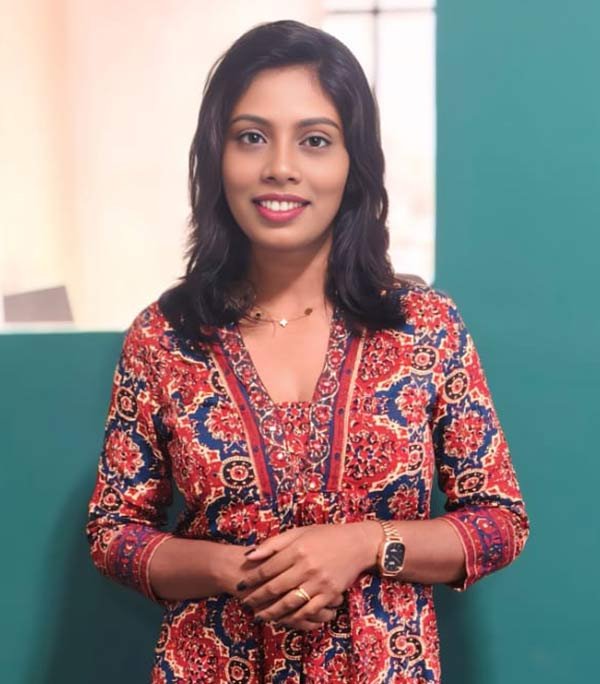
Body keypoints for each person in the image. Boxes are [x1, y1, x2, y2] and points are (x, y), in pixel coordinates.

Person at [86, 19, 529, 683]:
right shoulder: (164, 338)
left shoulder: (425, 328)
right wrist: (235, 569)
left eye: (315, 140)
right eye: (252, 136)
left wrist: (364, 544)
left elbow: (500, 523)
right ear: (216, 154)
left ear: (354, 163)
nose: (281, 167)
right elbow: (113, 531)